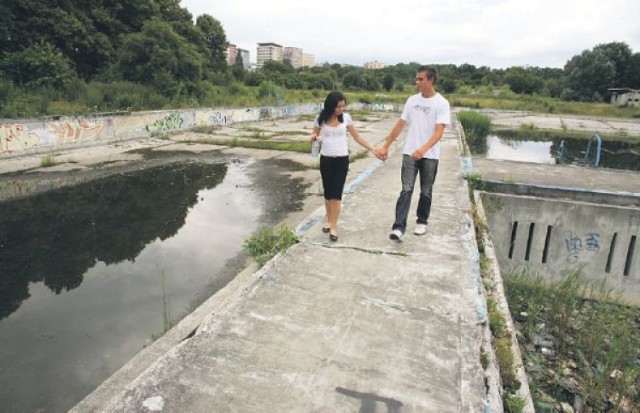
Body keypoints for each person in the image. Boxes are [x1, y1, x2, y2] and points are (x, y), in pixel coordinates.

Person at [378, 66, 451, 241]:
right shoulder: (412, 101)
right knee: (406, 189)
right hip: (410, 153)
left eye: (420, 79)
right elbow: (400, 124)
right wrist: (386, 145)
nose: (416, 82)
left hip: (430, 156)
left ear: (431, 80)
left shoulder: (441, 103)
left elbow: (439, 132)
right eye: (416, 79)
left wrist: (423, 149)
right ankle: (398, 227)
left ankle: (422, 221)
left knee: (426, 191)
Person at [311, 91, 378, 242]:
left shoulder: (346, 118)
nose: (342, 109)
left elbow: (357, 137)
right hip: (326, 159)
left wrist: (371, 148)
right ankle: (329, 221)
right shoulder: (320, 119)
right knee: (328, 194)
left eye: (343, 106)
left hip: (342, 160)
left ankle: (334, 226)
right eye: (339, 107)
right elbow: (314, 137)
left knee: (337, 194)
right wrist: (314, 138)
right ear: (331, 106)